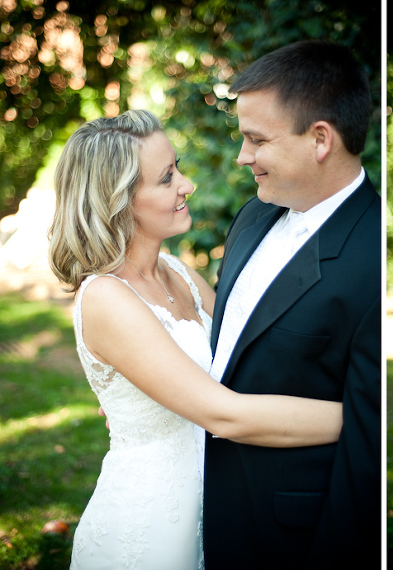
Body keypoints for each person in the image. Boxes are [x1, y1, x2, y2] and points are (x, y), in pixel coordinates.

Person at [48, 109, 345, 569]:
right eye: (167, 178)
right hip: (150, 526)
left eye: (178, 167)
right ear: (119, 200)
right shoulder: (105, 297)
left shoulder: (181, 275)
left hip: (221, 504)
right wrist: (360, 421)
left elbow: (253, 360)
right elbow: (222, 413)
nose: (187, 185)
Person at [203, 40, 381, 568]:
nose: (242, 157)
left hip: (289, 538)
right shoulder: (252, 217)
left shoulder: (371, 255)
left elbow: (367, 448)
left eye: (256, 140)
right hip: (201, 506)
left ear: (320, 139)